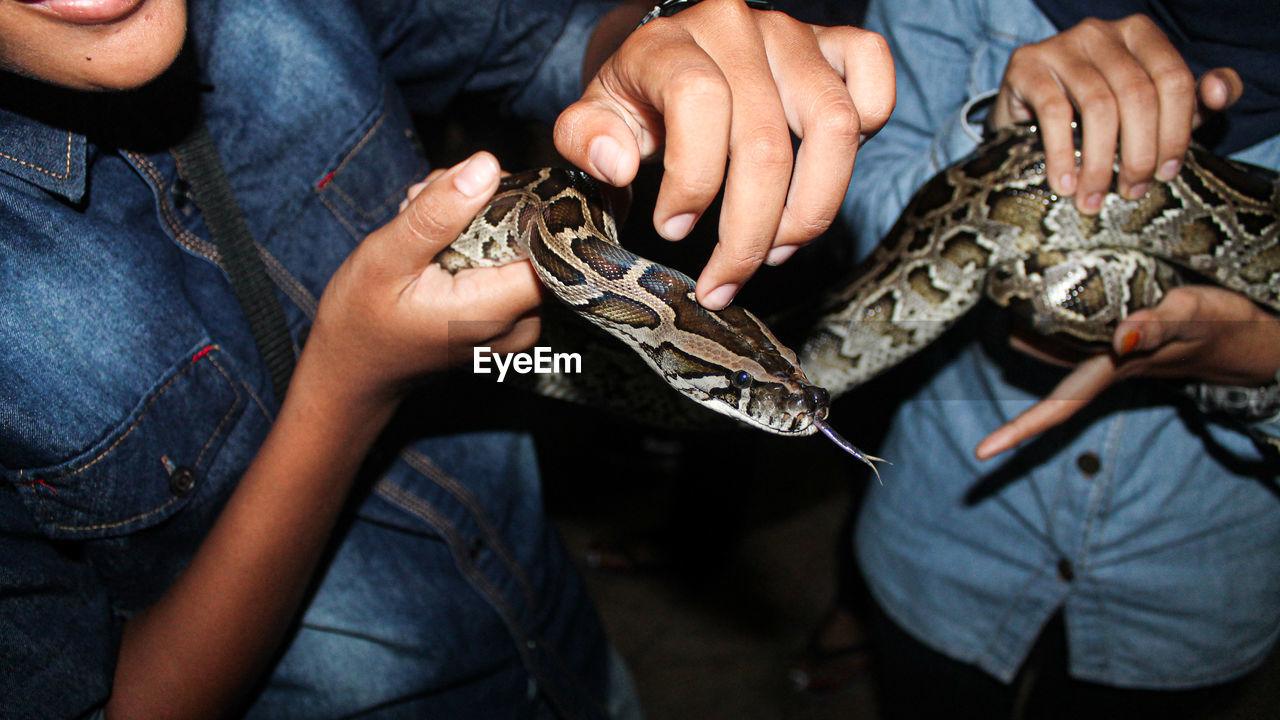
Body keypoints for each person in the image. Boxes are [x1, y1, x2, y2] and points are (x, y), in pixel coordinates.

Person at [0, 0, 895, 717]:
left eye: (759, 372)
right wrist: (356, 385)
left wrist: (661, 42)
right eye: (745, 383)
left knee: (544, 371)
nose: (777, 399)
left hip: (560, 623)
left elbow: (557, 35)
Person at [831, 0, 1280, 717]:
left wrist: (1263, 370)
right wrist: (993, 144)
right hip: (946, 541)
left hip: (1200, 591)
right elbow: (856, 231)